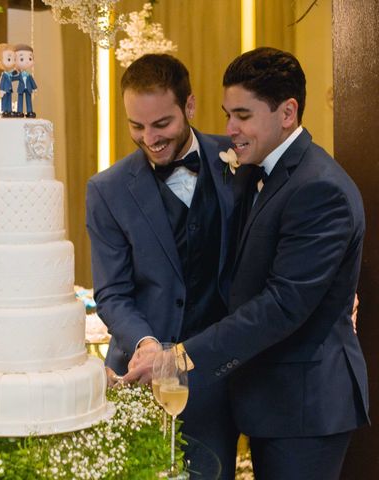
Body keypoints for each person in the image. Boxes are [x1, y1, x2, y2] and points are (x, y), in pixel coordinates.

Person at [182, 47, 370, 480]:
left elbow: (283, 305)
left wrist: (182, 357)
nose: (230, 129)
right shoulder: (259, 169)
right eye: (228, 114)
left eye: (242, 116)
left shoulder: (320, 189)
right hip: (271, 397)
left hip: (306, 404)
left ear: (287, 112)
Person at [85, 53, 239, 479]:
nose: (149, 138)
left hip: (215, 375)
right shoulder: (106, 190)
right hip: (141, 378)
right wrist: (146, 344)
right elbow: (112, 293)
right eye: (137, 126)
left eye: (161, 124)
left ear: (189, 106)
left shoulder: (239, 161)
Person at [0, 43, 19, 117]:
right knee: (4, 101)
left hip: (9, 90)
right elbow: (2, 82)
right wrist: (1, 90)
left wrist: (18, 75)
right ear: (0, 62)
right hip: (4, 90)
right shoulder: (4, 75)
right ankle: (4, 110)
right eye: (9, 59)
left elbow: (13, 78)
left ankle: (9, 110)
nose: (13, 62)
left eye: (14, 59)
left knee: (9, 100)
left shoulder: (9, 74)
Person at [14, 44, 37, 118]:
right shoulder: (18, 74)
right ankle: (19, 111)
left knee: (28, 100)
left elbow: (32, 82)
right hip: (21, 89)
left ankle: (29, 111)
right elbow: (13, 78)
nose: (27, 62)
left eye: (30, 59)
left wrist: (35, 88)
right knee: (20, 100)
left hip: (28, 89)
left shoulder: (28, 75)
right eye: (22, 59)